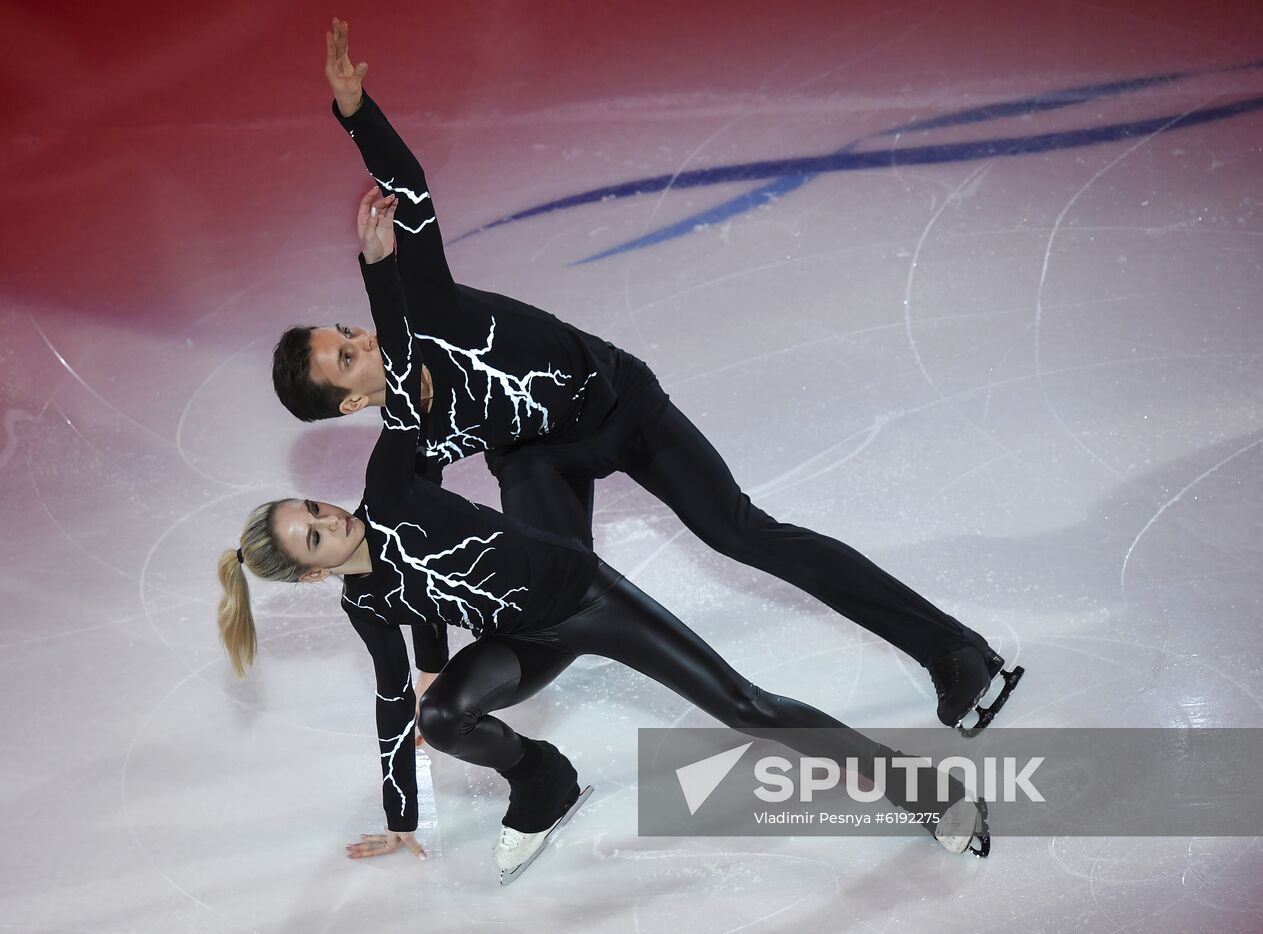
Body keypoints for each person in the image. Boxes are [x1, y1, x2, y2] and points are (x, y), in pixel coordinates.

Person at [270, 19, 1023, 737]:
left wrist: (354, 109)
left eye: (348, 332)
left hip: (621, 404)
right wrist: (433, 679)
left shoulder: (423, 305)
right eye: (347, 357)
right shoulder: (413, 441)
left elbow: (410, 186)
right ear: (356, 401)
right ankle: (541, 775)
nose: (362, 337)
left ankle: (952, 650)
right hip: (538, 460)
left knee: (742, 532)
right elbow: (413, 547)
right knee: (550, 591)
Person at [219, 186, 991, 884]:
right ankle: (543, 782)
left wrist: (378, 267)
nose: (329, 519)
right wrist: (402, 817)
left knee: (746, 707)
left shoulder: (390, 480)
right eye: (314, 538)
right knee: (441, 717)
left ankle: (922, 791)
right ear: (317, 576)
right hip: (525, 636)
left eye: (314, 509)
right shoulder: (364, 603)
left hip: (586, 597)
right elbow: (395, 690)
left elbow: (402, 386)